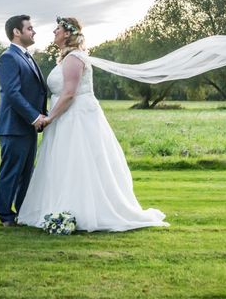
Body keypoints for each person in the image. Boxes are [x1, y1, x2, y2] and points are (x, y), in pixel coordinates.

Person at [17, 17, 168, 232]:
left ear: (67, 34)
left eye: (57, 29)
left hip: (76, 117)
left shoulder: (74, 58)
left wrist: (49, 118)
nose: (54, 32)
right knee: (64, 163)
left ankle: (83, 211)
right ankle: (60, 207)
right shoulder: (67, 58)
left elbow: (69, 93)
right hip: (67, 117)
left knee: (79, 161)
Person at [0, 15, 48, 227]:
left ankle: (22, 213)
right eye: (30, 28)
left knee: (26, 174)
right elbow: (12, 93)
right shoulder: (8, 57)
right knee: (11, 173)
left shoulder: (26, 56)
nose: (33, 31)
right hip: (14, 127)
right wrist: (35, 116)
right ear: (17, 32)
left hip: (28, 127)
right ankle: (6, 216)